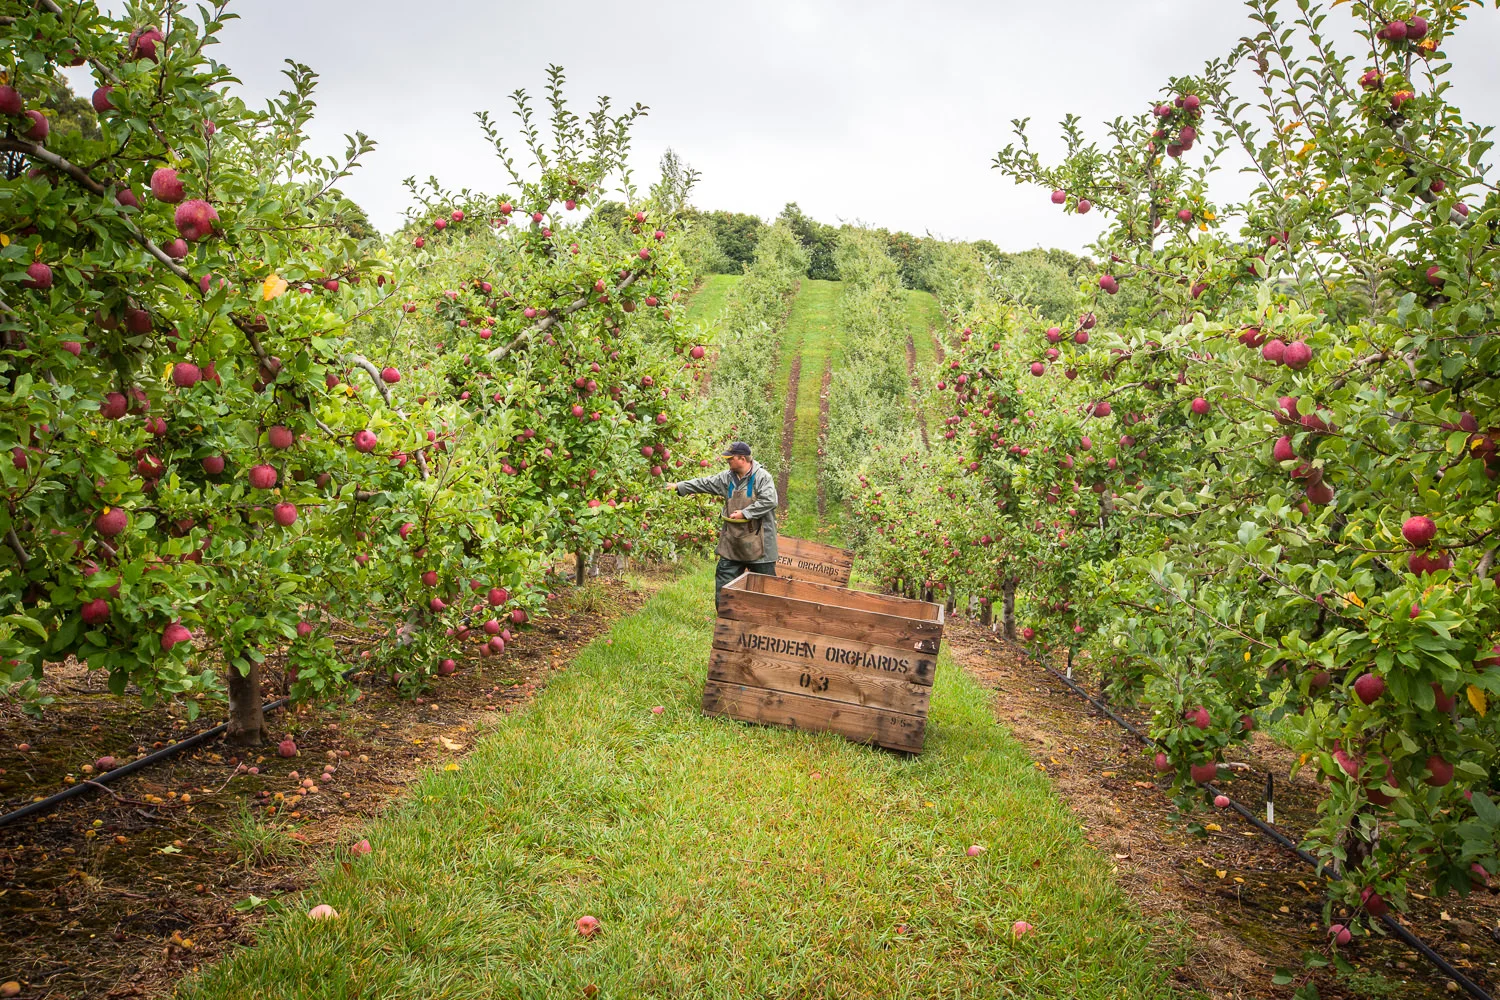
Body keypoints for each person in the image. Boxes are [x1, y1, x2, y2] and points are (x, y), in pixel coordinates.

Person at [664, 441, 780, 601]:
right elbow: (705, 483)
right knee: (724, 591)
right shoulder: (727, 478)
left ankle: (765, 625)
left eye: (730, 458)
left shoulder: (762, 477)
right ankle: (726, 624)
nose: (727, 461)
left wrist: (745, 513)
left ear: (742, 459)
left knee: (765, 593)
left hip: (761, 547)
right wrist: (679, 486)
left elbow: (770, 500)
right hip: (732, 544)